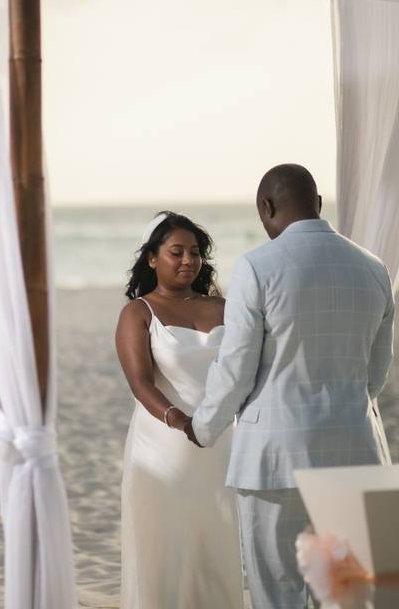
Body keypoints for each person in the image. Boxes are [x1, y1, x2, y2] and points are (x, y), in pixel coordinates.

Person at [186, 164, 395, 608]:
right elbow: (376, 375)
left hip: (273, 458)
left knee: (278, 592)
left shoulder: (257, 267)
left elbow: (238, 368)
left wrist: (203, 427)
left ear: (266, 207)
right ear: (318, 205)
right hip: (354, 452)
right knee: (343, 594)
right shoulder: (374, 268)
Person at [115, 211, 244, 608]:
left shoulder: (226, 307)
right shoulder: (139, 313)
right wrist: (179, 420)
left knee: (216, 540)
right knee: (166, 546)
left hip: (222, 445)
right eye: (176, 252)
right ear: (152, 258)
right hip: (163, 445)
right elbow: (140, 382)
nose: (188, 260)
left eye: (195, 252)